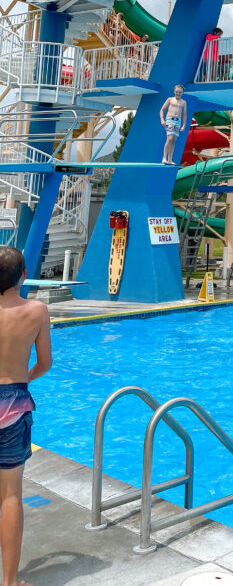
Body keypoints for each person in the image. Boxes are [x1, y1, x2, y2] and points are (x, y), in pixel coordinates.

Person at [0, 245, 52, 586]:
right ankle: (9, 582)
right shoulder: (36, 310)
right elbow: (45, 363)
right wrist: (23, 379)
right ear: (23, 275)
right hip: (13, 404)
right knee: (10, 494)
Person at [159, 85, 187, 164]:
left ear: (182, 93)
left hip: (178, 121)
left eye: (180, 92)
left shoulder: (184, 102)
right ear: (174, 92)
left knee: (174, 140)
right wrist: (162, 119)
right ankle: (164, 158)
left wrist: (184, 125)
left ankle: (170, 159)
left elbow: (184, 114)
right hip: (170, 120)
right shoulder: (170, 99)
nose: (178, 93)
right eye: (177, 92)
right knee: (170, 138)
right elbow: (162, 110)